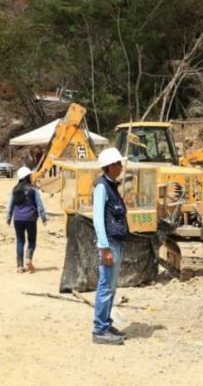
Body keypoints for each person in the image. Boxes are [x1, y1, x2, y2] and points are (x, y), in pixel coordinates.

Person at [92, 147, 129, 345]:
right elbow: (98, 219)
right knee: (106, 286)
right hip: (110, 244)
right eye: (119, 164)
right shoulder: (101, 187)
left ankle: (105, 323)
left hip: (116, 242)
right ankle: (99, 329)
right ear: (111, 166)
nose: (122, 167)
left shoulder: (111, 186)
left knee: (111, 287)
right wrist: (104, 248)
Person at [5, 166, 47, 273]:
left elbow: (10, 204)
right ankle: (28, 258)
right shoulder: (33, 189)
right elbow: (39, 204)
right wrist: (43, 218)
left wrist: (8, 217)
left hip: (18, 219)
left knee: (20, 241)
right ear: (27, 177)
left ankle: (19, 266)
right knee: (31, 241)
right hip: (30, 218)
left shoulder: (15, 189)